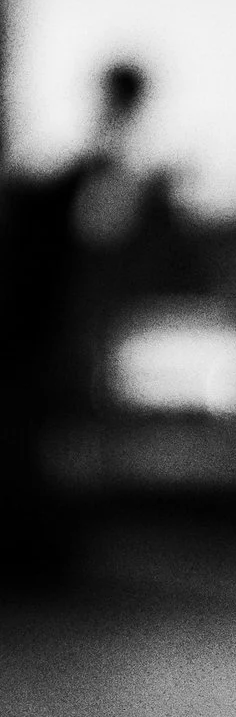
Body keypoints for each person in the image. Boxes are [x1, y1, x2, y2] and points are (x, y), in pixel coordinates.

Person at [0, 61, 152, 582]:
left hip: (53, 333)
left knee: (53, 439)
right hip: (48, 331)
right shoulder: (97, 167)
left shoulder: (104, 170)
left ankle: (45, 550)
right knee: (54, 439)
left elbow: (96, 247)